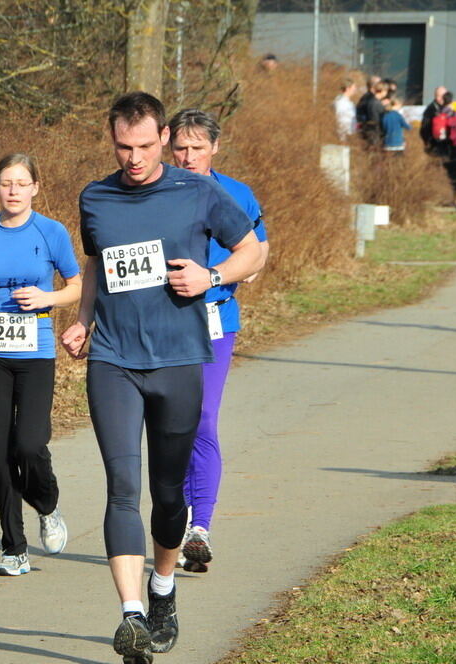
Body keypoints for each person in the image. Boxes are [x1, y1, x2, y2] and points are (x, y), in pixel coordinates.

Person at [61, 92, 262, 664]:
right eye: (123, 147)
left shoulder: (198, 192)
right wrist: (82, 320)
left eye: (146, 146)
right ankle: (130, 617)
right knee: (123, 487)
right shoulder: (95, 197)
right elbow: (97, 266)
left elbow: (253, 251)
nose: (134, 158)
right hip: (114, 360)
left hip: (179, 360)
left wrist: (211, 274)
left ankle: (163, 589)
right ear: (112, 141)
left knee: (168, 495)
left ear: (163, 137)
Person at [0, 153, 82, 575]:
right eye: (5, 183)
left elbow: (77, 286)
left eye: (21, 183)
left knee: (28, 444)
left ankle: (47, 505)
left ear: (34, 188)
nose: (13, 190)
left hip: (36, 350)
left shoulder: (51, 232)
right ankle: (13, 548)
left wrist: (48, 298)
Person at [166, 109, 269, 576]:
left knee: (203, 418)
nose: (188, 157)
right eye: (181, 148)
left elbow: (258, 257)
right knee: (173, 424)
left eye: (197, 148)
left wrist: (216, 277)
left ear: (214, 148)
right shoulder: (154, 191)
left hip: (215, 320)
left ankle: (199, 528)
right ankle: (179, 520)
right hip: (163, 324)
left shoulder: (238, 195)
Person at [432, 92, 456, 204]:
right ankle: (454, 198)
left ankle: (445, 196)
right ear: (452, 101)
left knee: (447, 171)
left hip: (442, 146)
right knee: (455, 173)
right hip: (455, 146)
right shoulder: (454, 114)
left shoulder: (438, 113)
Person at [357, 79, 387, 147]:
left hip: (371, 130)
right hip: (374, 131)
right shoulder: (374, 102)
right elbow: (375, 118)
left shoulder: (371, 100)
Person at [420, 86, 447, 153]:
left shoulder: (448, 108)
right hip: (435, 145)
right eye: (439, 96)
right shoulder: (430, 110)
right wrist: (429, 143)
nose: (442, 98)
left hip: (446, 144)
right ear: (435, 96)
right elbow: (424, 129)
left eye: (444, 96)